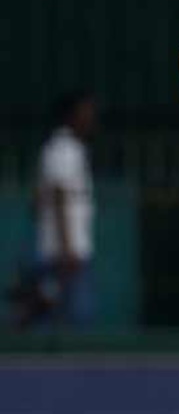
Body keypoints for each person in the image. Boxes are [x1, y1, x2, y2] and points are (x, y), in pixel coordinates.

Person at [31, 90, 97, 328]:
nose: (90, 117)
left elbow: (38, 200)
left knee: (58, 317)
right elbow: (59, 197)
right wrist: (67, 247)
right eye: (85, 111)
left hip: (64, 251)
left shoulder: (67, 149)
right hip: (64, 253)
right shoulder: (63, 149)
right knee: (75, 319)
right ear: (71, 115)